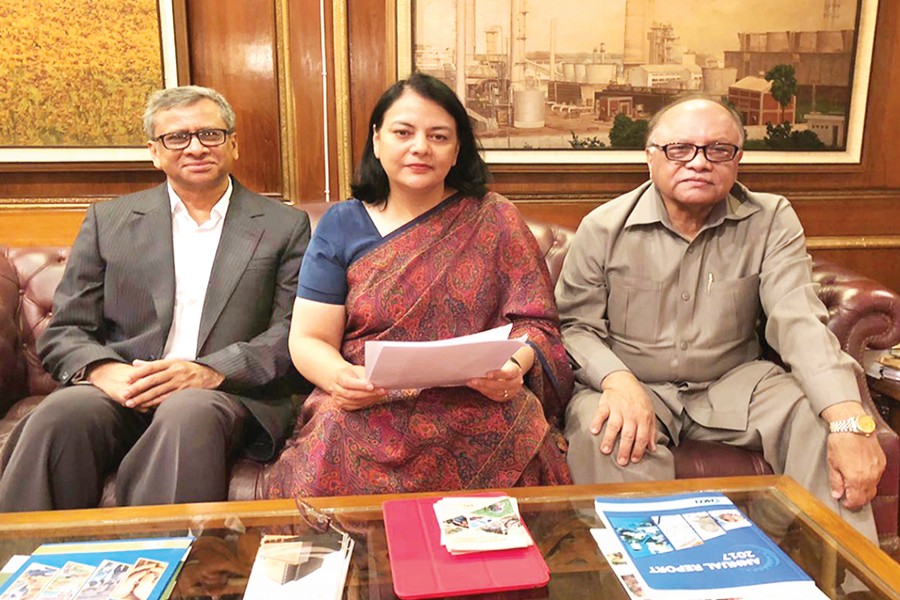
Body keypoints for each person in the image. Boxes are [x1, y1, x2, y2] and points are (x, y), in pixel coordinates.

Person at [556, 96, 885, 541]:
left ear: (737, 159)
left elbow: (798, 319)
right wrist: (617, 381)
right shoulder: (603, 227)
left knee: (820, 421)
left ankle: (835, 571)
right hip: (634, 381)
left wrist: (848, 420)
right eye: (679, 149)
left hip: (737, 385)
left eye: (718, 150)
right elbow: (575, 327)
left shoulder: (771, 220)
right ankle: (658, 572)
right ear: (650, 156)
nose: (699, 162)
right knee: (605, 431)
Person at [0, 85, 310, 510]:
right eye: (177, 137)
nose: (196, 148)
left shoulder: (284, 225)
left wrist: (209, 371)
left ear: (233, 145)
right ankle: (26, 552)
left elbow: (291, 331)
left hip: (222, 394)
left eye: (210, 134)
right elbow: (67, 329)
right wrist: (105, 371)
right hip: (125, 388)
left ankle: (165, 552)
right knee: (61, 415)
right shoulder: (109, 221)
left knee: (187, 413)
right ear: (155, 152)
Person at [267, 73, 573, 497]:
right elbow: (310, 337)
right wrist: (341, 379)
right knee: (335, 426)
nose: (420, 147)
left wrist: (513, 368)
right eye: (403, 132)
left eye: (439, 136)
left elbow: (536, 324)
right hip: (368, 399)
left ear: (457, 150)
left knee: (518, 421)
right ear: (377, 141)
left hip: (478, 399)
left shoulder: (496, 218)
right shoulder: (341, 225)